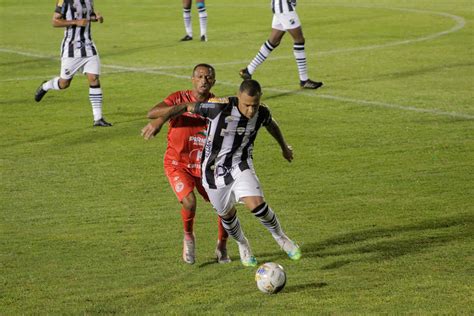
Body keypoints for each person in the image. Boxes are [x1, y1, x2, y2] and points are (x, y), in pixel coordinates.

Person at [142, 79, 301, 267]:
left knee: (257, 204)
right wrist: (160, 121)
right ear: (238, 97)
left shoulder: (262, 112)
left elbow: (271, 124)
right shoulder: (218, 108)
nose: (250, 111)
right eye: (246, 105)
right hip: (212, 172)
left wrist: (284, 147)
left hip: (240, 164)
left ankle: (281, 237)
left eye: (255, 105)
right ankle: (242, 243)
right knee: (227, 215)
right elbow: (185, 106)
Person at [142, 64, 230, 264]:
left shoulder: (216, 105)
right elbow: (151, 113)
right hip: (177, 163)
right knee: (189, 201)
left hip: (205, 165)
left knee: (224, 206)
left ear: (213, 82)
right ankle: (188, 237)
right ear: (192, 79)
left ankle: (222, 245)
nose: (204, 80)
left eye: (208, 78)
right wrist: (173, 113)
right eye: (200, 76)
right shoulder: (178, 98)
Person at [34, 0, 112, 127]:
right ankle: (46, 86)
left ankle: (98, 118)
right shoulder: (64, 1)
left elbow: (87, 15)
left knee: (94, 78)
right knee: (64, 84)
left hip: (88, 46)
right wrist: (75, 22)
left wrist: (96, 17)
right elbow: (55, 21)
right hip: (71, 49)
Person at [239, 0, 323, 90]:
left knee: (274, 41)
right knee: (299, 40)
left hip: (282, 6)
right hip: (284, 6)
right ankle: (304, 80)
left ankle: (248, 70)